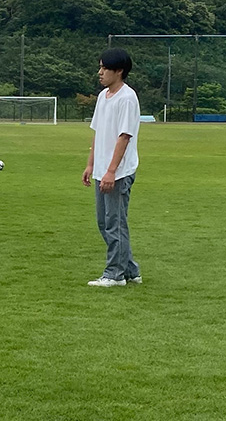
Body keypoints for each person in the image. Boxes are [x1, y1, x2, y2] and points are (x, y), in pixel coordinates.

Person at [81, 48, 142, 287]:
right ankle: (130, 270)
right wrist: (91, 164)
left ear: (119, 71)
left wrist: (111, 171)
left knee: (114, 222)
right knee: (104, 222)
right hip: (102, 170)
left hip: (118, 172)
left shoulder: (127, 98)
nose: (100, 72)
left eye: (105, 68)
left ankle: (114, 274)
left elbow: (124, 136)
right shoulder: (102, 97)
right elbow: (98, 133)